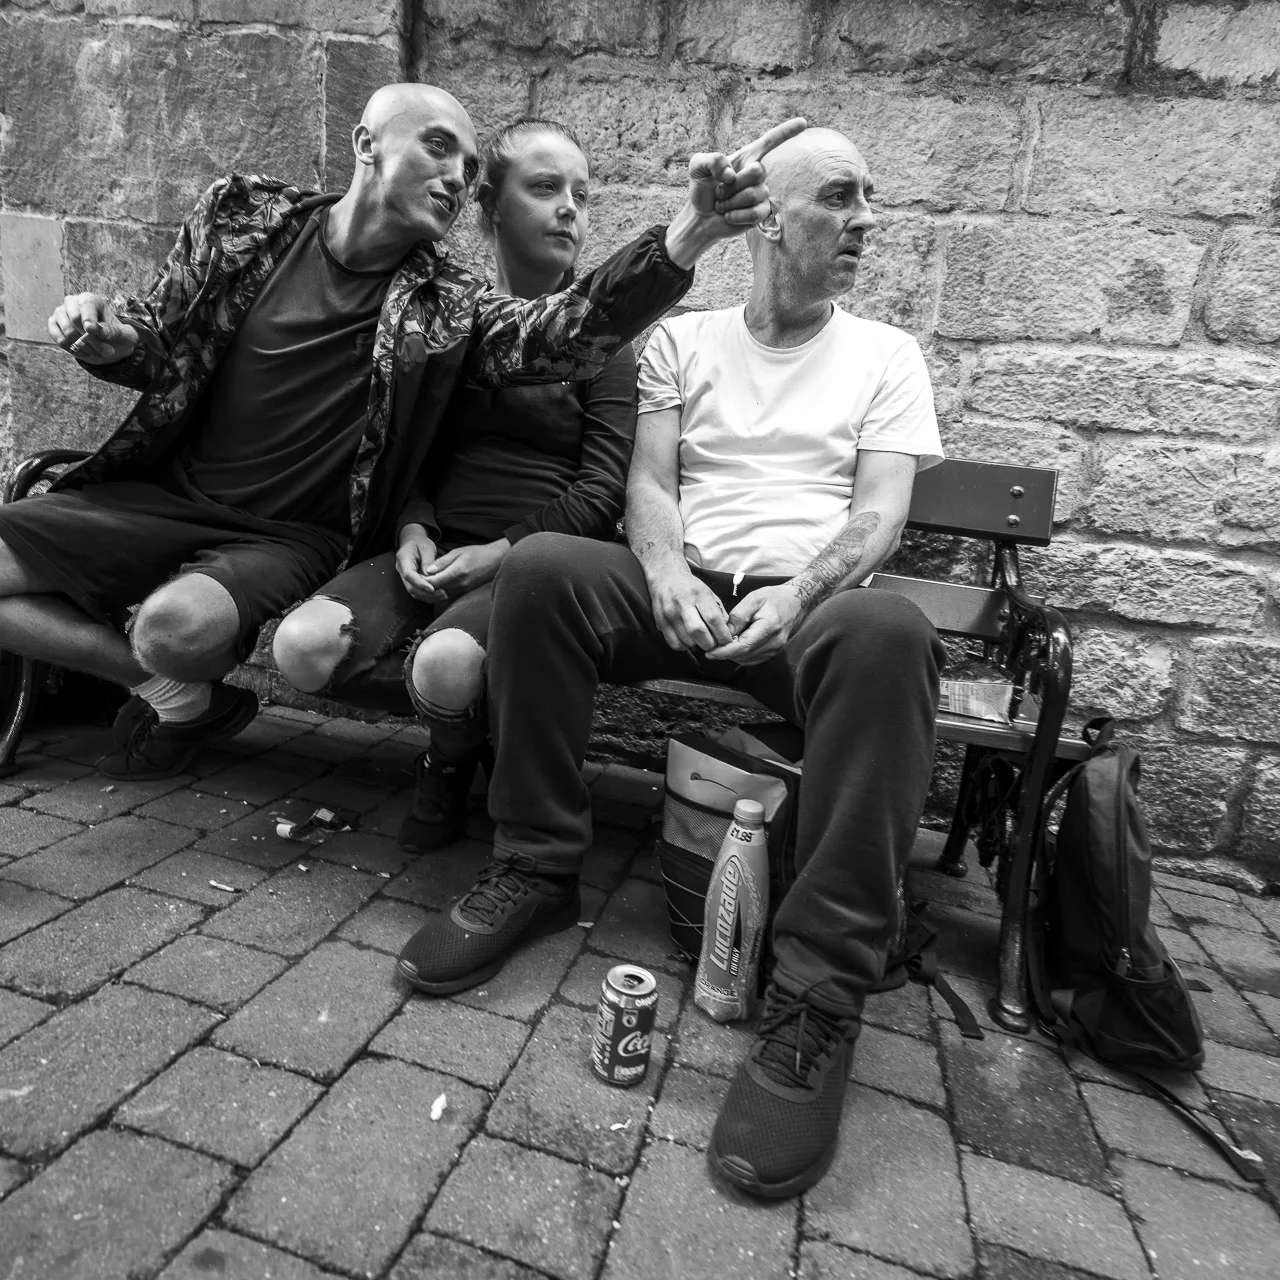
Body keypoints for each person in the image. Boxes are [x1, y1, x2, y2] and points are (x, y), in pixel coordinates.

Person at [395, 127, 947, 1201]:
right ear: (771, 219)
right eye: (841, 197)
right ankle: (536, 864)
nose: (866, 220)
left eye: (868, 197)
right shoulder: (679, 341)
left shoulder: (885, 355)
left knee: (892, 635)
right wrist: (661, 572)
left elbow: (879, 515)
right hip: (685, 593)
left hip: (812, 612)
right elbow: (646, 485)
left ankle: (815, 997)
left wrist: (798, 595)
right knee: (548, 567)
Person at [0, 84, 801, 780]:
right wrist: (114, 339)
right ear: (366, 145)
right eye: (438, 148)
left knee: (176, 629)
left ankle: (183, 676)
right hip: (164, 491)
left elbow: (565, 335)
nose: (455, 177)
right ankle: (169, 690)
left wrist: (685, 237)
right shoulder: (242, 218)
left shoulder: (444, 303)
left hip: (286, 533)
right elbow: (169, 333)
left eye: (468, 169)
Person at [271, 118, 636, 853]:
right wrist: (412, 527)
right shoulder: (448, 325)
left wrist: (499, 554)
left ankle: (447, 755)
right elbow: (414, 453)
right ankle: (471, 723)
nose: (571, 208)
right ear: (491, 208)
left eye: (582, 194)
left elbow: (602, 494)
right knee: (302, 647)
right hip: (433, 548)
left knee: (447, 663)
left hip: (533, 566)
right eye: (545, 188)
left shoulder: (607, 348)